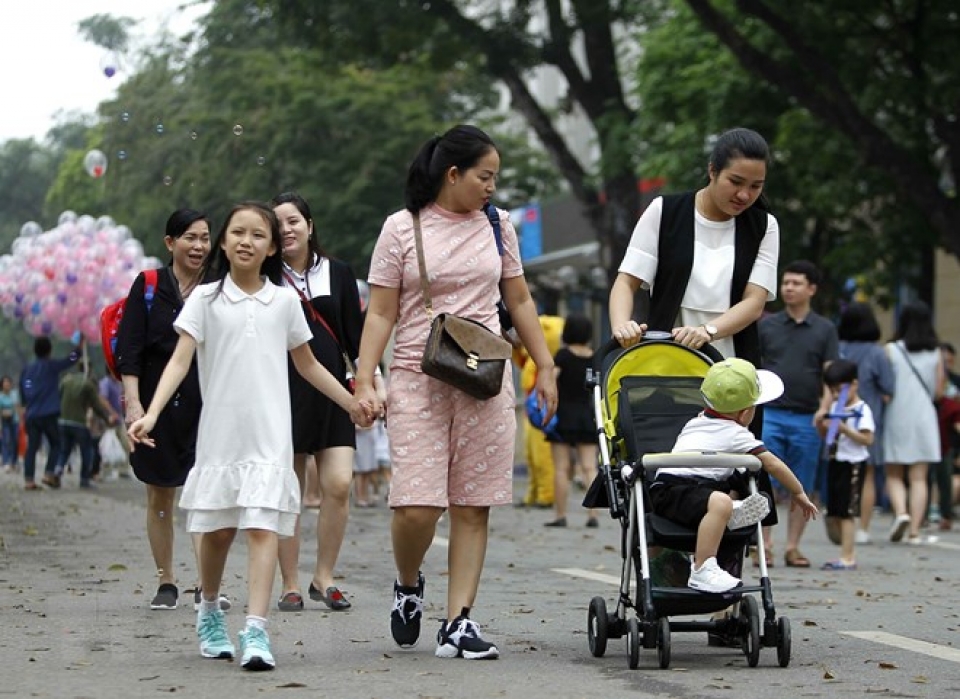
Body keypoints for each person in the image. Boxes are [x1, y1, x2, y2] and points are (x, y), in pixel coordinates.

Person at [127, 201, 373, 671]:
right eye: (237, 232)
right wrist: (151, 412)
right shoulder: (205, 300)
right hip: (221, 436)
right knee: (217, 533)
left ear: (272, 247)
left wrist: (351, 401)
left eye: (258, 235)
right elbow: (180, 360)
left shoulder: (284, 302)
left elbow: (308, 364)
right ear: (223, 241)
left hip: (270, 437)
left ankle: (256, 630)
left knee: (263, 528)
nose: (246, 241)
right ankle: (210, 612)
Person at [354, 124, 558, 660]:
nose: (492, 186)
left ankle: (459, 621)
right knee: (418, 506)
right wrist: (364, 376)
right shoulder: (402, 228)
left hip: (485, 376)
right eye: (484, 176)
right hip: (417, 376)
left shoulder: (498, 226)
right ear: (453, 174)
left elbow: (518, 299)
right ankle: (407, 583)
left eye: (495, 177)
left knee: (472, 504)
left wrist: (546, 364)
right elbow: (380, 311)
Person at [607, 126, 782, 561]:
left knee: (733, 471)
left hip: (732, 368)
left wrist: (709, 332)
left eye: (755, 186)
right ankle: (665, 575)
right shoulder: (666, 212)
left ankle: (727, 596)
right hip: (667, 365)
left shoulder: (764, 225)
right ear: (712, 171)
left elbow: (755, 301)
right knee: (668, 469)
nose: (744, 195)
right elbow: (626, 282)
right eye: (735, 183)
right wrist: (621, 325)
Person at [271, 191, 374, 614]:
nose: (287, 230)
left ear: (310, 226)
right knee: (288, 492)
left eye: (293, 221)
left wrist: (372, 384)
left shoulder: (339, 272)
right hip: (282, 392)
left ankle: (324, 577)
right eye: (277, 225)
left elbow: (357, 337)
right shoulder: (264, 276)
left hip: (334, 393)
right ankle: (290, 583)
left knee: (338, 484)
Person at [116, 209, 223, 612]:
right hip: (155, 406)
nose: (199, 246)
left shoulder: (217, 287)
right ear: (170, 243)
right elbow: (130, 350)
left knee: (205, 496)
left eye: (204, 238)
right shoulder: (147, 286)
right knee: (159, 494)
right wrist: (134, 405)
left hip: (206, 403)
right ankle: (166, 580)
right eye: (190, 238)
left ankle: (206, 582)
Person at [651, 358, 817, 593]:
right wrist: (798, 492)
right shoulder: (736, 434)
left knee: (726, 484)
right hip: (682, 490)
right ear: (745, 413)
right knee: (721, 500)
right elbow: (773, 464)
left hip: (666, 489)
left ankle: (730, 511)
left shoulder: (697, 421)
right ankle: (703, 567)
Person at [758, 260, 839, 568]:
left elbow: (831, 374)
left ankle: (793, 546)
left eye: (796, 283)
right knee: (763, 481)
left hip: (807, 417)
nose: (788, 288)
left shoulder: (825, 329)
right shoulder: (766, 326)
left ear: (812, 289)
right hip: (770, 414)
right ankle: (764, 544)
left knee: (800, 485)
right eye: (785, 283)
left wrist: (824, 409)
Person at [882, 301, 943, 545]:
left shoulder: (891, 350)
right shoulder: (936, 352)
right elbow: (939, 391)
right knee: (920, 477)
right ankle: (915, 531)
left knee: (894, 473)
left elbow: (886, 389)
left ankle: (901, 513)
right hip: (925, 415)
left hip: (898, 413)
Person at [836, 302, 894, 543]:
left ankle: (840, 520)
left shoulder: (838, 349)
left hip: (837, 417)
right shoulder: (876, 352)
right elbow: (889, 388)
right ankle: (863, 527)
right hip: (866, 420)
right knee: (867, 474)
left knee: (839, 472)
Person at [814, 360, 875, 570]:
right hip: (835, 460)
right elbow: (827, 437)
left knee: (847, 511)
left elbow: (867, 440)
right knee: (834, 510)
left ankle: (848, 556)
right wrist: (821, 423)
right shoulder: (833, 406)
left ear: (854, 385)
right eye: (833, 391)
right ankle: (844, 548)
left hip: (854, 462)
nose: (837, 395)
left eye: (840, 390)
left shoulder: (862, 409)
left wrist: (845, 429)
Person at [544, 314, 599, 528]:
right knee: (589, 466)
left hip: (563, 415)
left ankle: (560, 514)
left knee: (561, 468)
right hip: (587, 417)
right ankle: (593, 515)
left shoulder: (563, 356)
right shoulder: (594, 358)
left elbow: (551, 379)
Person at [19, 335, 82, 490]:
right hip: (49, 413)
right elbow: (70, 360)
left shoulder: (27, 368)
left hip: (32, 414)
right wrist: (79, 348)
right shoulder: (51, 366)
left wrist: (26, 404)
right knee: (56, 444)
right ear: (49, 350)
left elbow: (22, 388)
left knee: (32, 447)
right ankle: (48, 473)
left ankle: (28, 480)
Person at [515, 315, 563, 508]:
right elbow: (519, 359)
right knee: (531, 457)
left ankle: (546, 495)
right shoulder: (531, 360)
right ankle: (532, 494)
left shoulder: (547, 363)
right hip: (530, 410)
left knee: (543, 457)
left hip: (542, 412)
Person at [56, 362, 118, 488]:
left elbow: (59, 396)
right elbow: (96, 406)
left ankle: (58, 469)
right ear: (89, 369)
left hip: (63, 420)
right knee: (87, 450)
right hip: (79, 422)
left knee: (64, 449)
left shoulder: (66, 381)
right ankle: (84, 479)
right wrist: (107, 419)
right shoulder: (88, 385)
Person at [0, 375, 21, 473]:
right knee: (6, 440)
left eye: (8, 382)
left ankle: (14, 461)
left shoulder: (14, 394)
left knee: (15, 440)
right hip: (4, 421)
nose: (7, 384)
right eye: (5, 382)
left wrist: (20, 419)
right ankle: (6, 461)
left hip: (14, 420)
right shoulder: (1, 396)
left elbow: (18, 406)